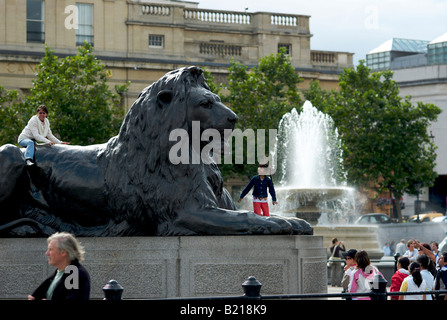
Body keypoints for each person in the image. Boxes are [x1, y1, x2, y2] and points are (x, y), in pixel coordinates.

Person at [28, 232, 90, 300]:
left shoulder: (74, 274)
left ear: (63, 252)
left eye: (50, 249)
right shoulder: (59, 272)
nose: (47, 253)